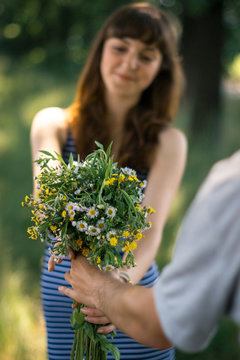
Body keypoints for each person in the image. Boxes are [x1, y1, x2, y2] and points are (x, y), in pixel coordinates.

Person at [30, 3, 187, 359]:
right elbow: (48, 203)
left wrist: (115, 288)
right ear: (100, 50)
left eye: (146, 56)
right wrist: (91, 285)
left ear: (160, 68)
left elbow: (150, 229)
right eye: (120, 47)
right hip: (64, 292)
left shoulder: (168, 142)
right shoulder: (52, 124)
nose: (130, 63)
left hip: (130, 292)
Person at [59, 150, 240, 354]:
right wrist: (68, 236)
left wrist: (103, 287)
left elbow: (169, 322)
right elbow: (45, 202)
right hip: (93, 290)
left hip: (130, 299)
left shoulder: (232, 184)